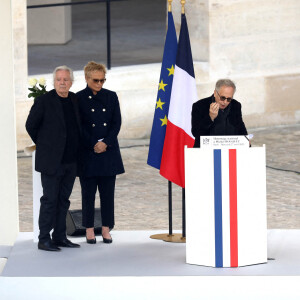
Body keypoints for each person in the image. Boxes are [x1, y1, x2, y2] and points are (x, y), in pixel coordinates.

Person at [26, 66, 81, 251]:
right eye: (59, 79)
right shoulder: (44, 101)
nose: (62, 82)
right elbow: (31, 125)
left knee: (64, 200)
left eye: (66, 79)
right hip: (51, 161)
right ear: (54, 82)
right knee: (49, 200)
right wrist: (45, 145)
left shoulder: (74, 99)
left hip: (70, 161)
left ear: (71, 82)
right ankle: (44, 239)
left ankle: (59, 237)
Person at [77, 61, 124, 244]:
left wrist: (105, 142)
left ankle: (106, 229)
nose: (99, 84)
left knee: (107, 194)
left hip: (108, 151)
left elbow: (116, 123)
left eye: (102, 80)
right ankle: (89, 229)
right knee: (87, 194)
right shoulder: (78, 98)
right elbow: (79, 126)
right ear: (87, 78)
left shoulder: (111, 97)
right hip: (88, 153)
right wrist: (93, 143)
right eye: (96, 80)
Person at [191, 79, 248, 147]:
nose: (225, 102)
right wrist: (210, 118)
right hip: (207, 149)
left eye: (229, 99)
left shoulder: (235, 105)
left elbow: (240, 127)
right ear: (215, 93)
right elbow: (196, 133)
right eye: (222, 98)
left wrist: (247, 142)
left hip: (230, 148)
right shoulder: (200, 105)